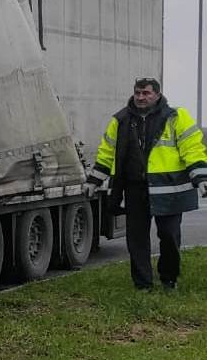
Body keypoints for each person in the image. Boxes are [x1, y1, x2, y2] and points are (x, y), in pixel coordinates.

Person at [86, 77, 207, 291]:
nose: (141, 97)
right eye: (138, 93)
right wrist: (94, 180)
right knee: (136, 239)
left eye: (146, 93)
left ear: (157, 95)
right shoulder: (121, 120)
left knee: (169, 236)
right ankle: (143, 285)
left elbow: (192, 148)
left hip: (169, 189)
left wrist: (201, 177)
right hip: (135, 189)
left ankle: (169, 279)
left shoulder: (176, 117)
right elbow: (106, 152)